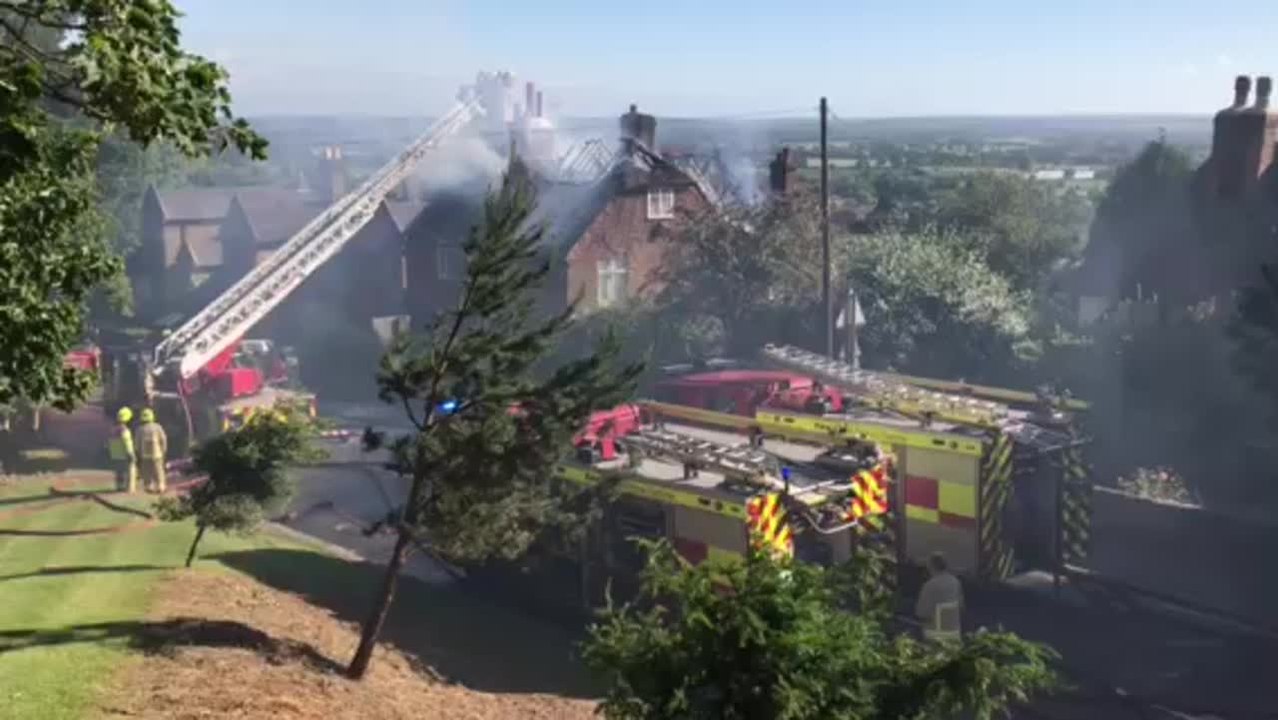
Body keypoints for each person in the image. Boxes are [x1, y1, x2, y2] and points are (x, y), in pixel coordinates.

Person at [915, 552, 964, 643]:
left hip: (935, 634)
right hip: (954, 632)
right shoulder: (956, 582)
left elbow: (921, 613)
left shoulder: (929, 585)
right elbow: (961, 606)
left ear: (931, 567)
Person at [135, 408, 168, 494]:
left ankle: (148, 486)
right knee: (158, 471)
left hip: (145, 454)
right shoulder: (158, 427)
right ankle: (161, 486)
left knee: (147, 471)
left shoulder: (140, 429)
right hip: (157, 454)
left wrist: (138, 452)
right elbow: (163, 439)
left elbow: (137, 443)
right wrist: (163, 450)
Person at [107, 407, 137, 493]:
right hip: (124, 450)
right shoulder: (125, 430)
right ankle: (130, 488)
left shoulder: (113, 428)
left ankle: (119, 486)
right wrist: (130, 453)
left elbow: (110, 440)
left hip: (116, 449)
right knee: (130, 469)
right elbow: (127, 441)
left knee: (119, 469)